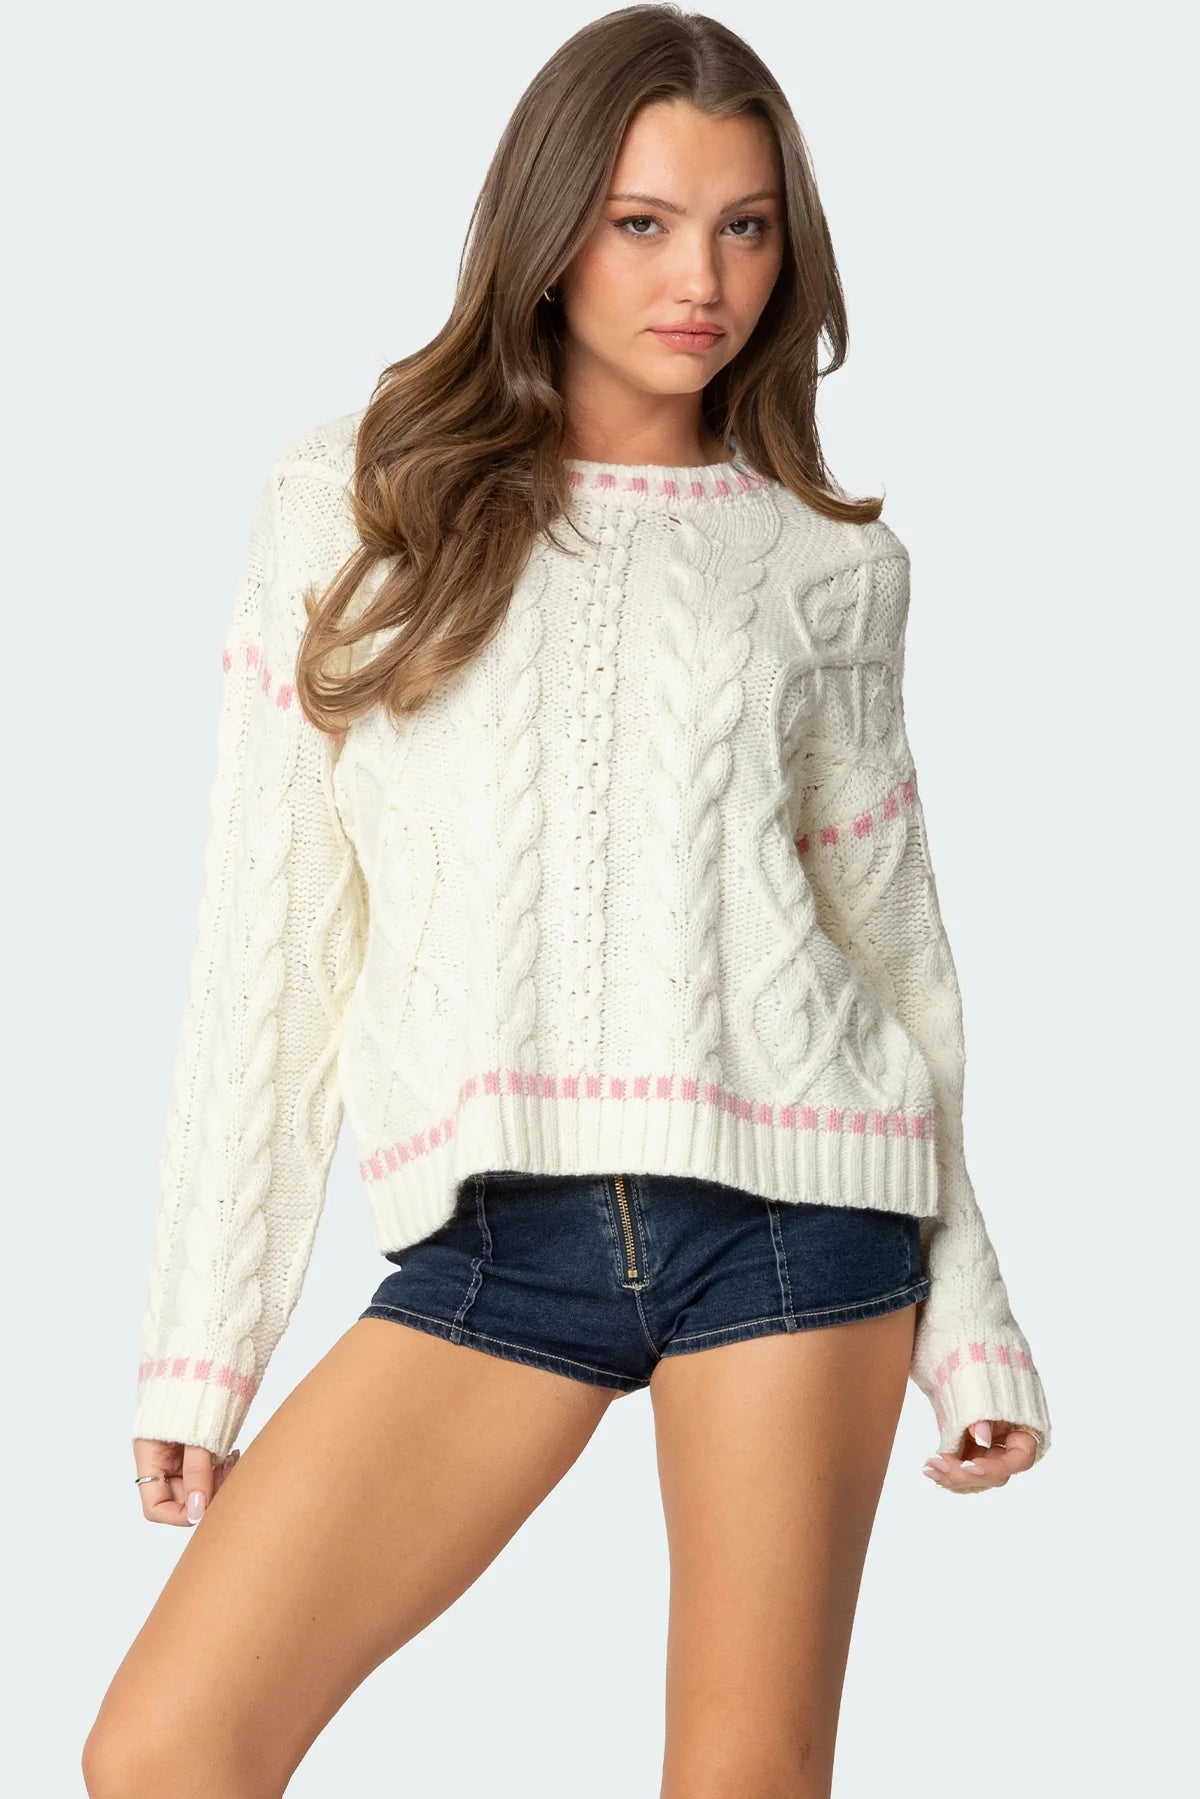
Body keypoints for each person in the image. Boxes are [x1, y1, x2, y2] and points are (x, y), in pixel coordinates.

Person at [84, 8, 1052, 1796]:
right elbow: (267, 953)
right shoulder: (350, 503)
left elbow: (893, 965)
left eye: (747, 226)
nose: (705, 281)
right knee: (166, 1753)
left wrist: (971, 1315)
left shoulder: (831, 565)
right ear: (547, 228)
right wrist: (203, 1347)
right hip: (496, 1247)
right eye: (644, 223)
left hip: (799, 1221)